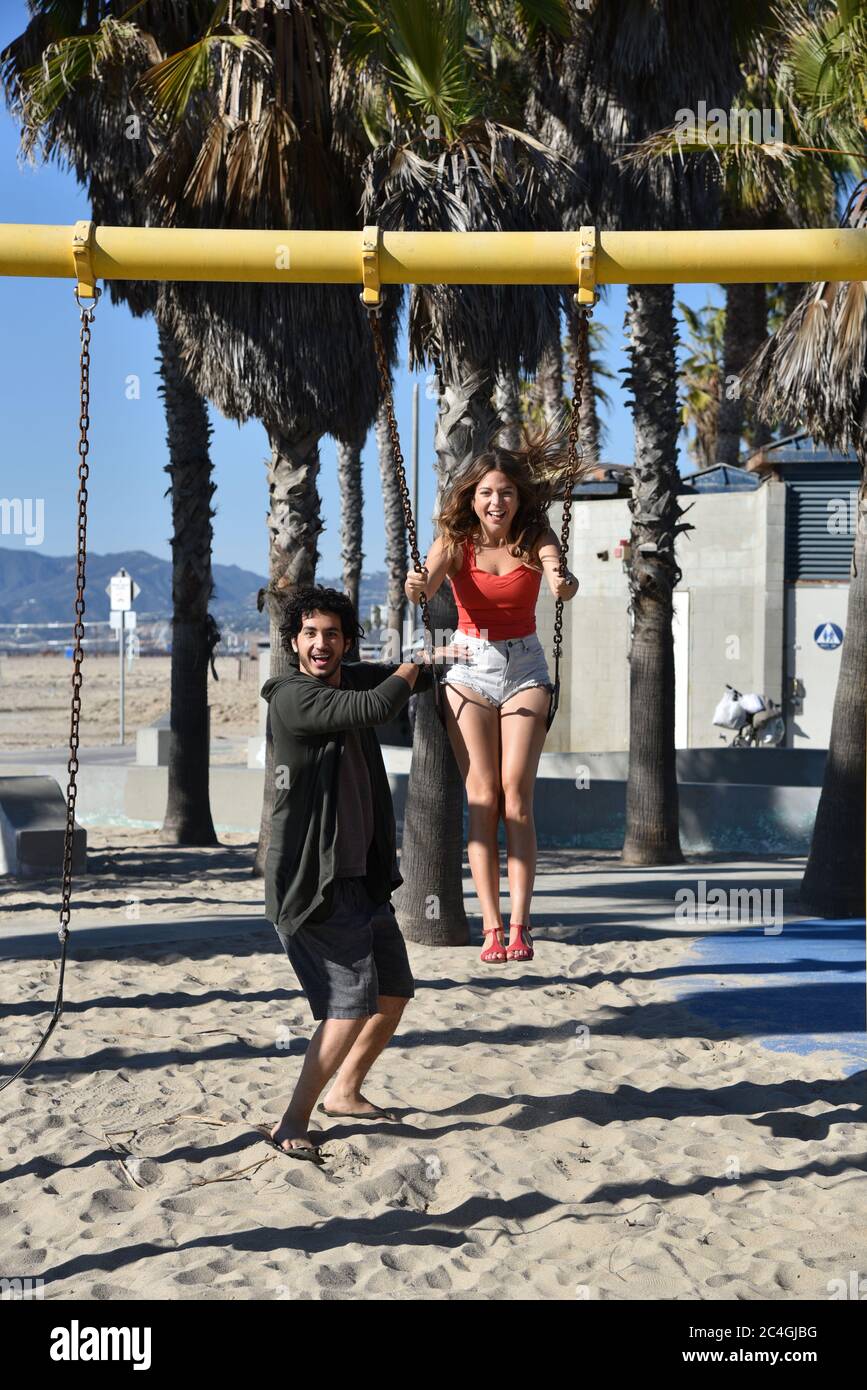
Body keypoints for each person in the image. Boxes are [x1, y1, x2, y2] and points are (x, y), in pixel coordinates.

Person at [260, 585, 441, 1160]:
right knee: (348, 1006)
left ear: (345, 642)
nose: (321, 643)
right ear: (294, 642)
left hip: (362, 878)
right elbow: (378, 704)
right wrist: (414, 667)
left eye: (332, 634)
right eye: (310, 633)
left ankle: (345, 1091)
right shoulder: (292, 698)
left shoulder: (349, 678)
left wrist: (454, 651)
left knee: (392, 993)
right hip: (315, 884)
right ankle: (292, 1119)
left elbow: (402, 678)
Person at [405, 424, 581, 967]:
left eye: (505, 492)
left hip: (525, 663)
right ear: (472, 498)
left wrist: (561, 582)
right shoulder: (455, 542)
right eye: (486, 493)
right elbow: (427, 580)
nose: (496, 501)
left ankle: (522, 924)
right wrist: (418, 586)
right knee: (481, 795)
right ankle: (490, 927)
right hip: (469, 666)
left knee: (516, 796)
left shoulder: (535, 537)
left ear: (517, 497)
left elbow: (558, 572)